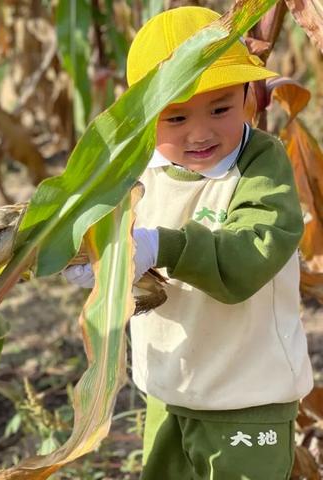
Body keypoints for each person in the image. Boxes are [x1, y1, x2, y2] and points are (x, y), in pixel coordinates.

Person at [63, 6, 313, 479]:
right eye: (175, 118)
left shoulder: (261, 165)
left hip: (248, 398)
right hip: (167, 390)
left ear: (248, 100)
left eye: (220, 109)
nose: (200, 133)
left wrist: (162, 247)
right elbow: (101, 240)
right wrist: (97, 263)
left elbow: (251, 254)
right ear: (143, 116)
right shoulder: (132, 171)